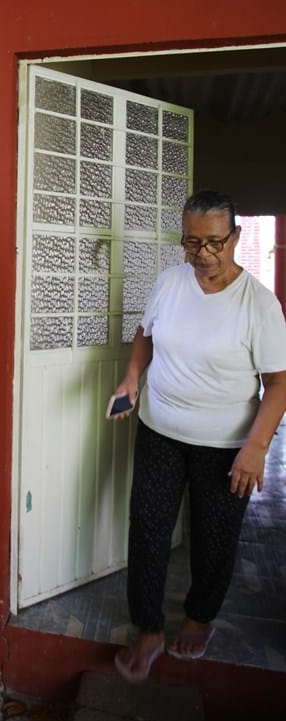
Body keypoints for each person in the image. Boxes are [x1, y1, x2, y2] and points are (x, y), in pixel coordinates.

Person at [111, 189, 286, 683]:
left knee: (214, 536)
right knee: (147, 527)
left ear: (235, 237)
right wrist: (131, 379)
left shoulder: (259, 304)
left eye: (213, 242)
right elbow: (146, 332)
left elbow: (279, 383)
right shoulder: (170, 282)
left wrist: (256, 449)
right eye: (191, 243)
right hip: (160, 429)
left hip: (227, 444)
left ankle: (198, 617)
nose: (203, 254)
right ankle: (147, 628)